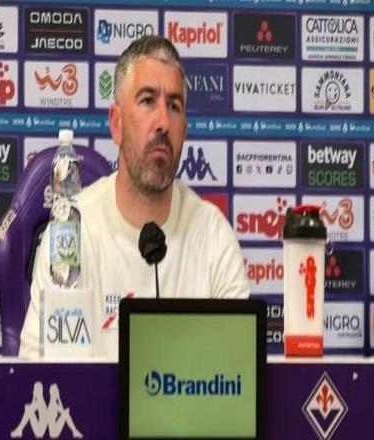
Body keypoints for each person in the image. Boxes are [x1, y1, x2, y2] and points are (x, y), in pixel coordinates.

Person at [19, 35, 250, 361]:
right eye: (147, 101)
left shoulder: (213, 236)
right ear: (116, 124)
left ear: (184, 131)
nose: (163, 122)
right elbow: (35, 370)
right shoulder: (71, 233)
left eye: (174, 106)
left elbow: (238, 372)